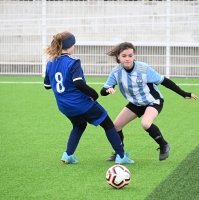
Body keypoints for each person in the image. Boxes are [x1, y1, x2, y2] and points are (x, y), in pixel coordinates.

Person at [43, 31, 134, 164]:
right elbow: (78, 82)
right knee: (108, 124)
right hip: (81, 103)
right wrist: (93, 94)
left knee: (79, 125)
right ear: (71, 45)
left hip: (64, 106)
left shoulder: (51, 62)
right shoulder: (73, 62)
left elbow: (47, 85)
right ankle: (121, 156)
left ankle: (67, 155)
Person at [100, 42, 198, 161]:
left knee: (146, 123)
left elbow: (164, 81)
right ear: (118, 57)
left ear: (134, 56)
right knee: (115, 127)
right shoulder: (116, 71)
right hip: (136, 103)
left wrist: (184, 94)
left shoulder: (143, 68)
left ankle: (164, 145)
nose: (127, 58)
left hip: (153, 101)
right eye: (124, 56)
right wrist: (108, 90)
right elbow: (103, 91)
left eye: (130, 55)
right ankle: (120, 153)